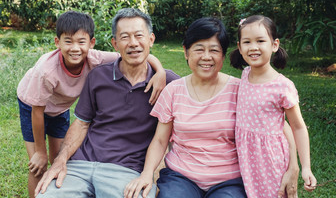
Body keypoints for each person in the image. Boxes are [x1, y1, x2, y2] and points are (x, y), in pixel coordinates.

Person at [124, 17, 300, 198]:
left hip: (229, 181)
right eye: (199, 49)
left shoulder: (241, 89)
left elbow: (279, 124)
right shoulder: (173, 91)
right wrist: (146, 174)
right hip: (181, 177)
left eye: (214, 50)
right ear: (186, 52)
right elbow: (160, 140)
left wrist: (293, 167)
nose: (206, 57)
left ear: (223, 55)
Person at [17, 10, 167, 198]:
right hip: (33, 107)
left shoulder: (166, 83)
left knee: (57, 157)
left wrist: (160, 71)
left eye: (139, 36)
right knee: (40, 165)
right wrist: (44, 153)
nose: (133, 43)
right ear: (115, 43)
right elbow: (74, 121)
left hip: (63, 110)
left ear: (151, 39)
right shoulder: (50, 71)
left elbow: (138, 54)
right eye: (125, 37)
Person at [230, 15, 317, 197]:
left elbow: (298, 127)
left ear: (274, 45)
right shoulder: (245, 74)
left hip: (270, 160)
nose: (253, 47)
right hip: (246, 156)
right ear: (239, 47)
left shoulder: (282, 86)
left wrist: (305, 167)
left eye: (260, 40)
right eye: (247, 42)